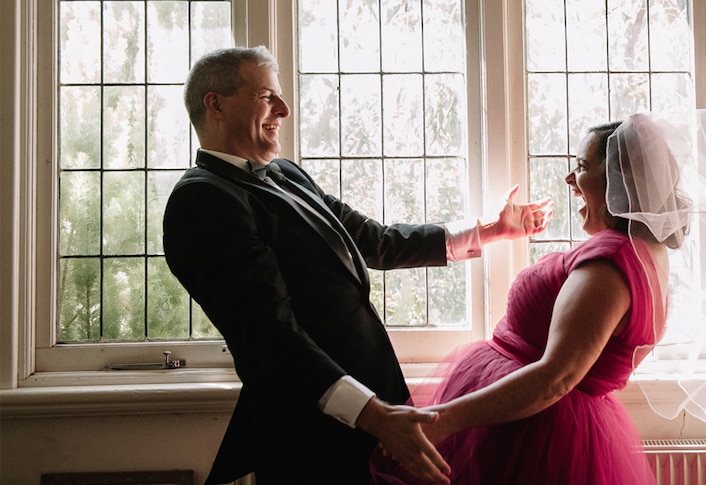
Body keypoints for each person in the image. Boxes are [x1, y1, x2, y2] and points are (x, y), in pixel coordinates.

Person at [161, 45, 552, 485]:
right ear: (215, 103)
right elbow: (271, 336)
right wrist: (374, 415)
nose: (284, 110)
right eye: (266, 97)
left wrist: (489, 231)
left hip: (371, 418)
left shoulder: (288, 174)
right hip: (310, 433)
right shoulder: (202, 200)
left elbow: (376, 242)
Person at [370, 112, 699, 484]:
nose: (570, 179)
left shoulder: (611, 262)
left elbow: (555, 378)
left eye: (583, 167)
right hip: (531, 428)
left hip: (534, 437)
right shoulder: (641, 252)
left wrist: (439, 422)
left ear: (618, 182)